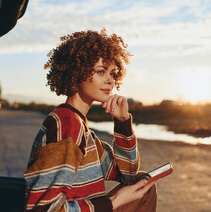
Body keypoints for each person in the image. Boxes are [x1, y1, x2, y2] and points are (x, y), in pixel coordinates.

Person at [24, 29, 157, 211]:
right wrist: (113, 201)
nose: (110, 80)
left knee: (144, 184)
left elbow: (127, 173)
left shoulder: (81, 127)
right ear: (77, 72)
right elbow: (43, 209)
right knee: (144, 188)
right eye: (101, 71)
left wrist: (123, 122)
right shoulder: (67, 124)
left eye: (112, 73)